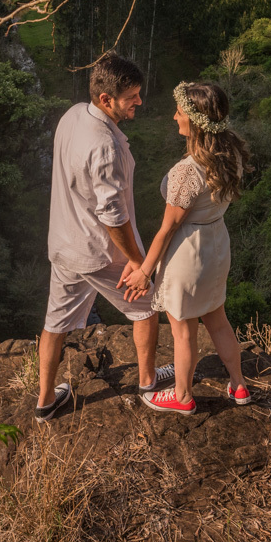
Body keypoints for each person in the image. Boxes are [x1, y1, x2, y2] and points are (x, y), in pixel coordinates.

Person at [35, 53, 174, 422]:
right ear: (105, 99)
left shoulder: (73, 115)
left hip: (64, 244)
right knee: (147, 305)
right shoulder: (104, 145)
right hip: (98, 250)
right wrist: (136, 261)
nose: (139, 102)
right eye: (132, 97)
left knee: (55, 323)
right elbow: (112, 216)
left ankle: (46, 400)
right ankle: (147, 384)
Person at [120, 81, 252, 415]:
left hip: (188, 253)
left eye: (179, 111)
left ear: (194, 120)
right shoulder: (231, 152)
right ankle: (238, 385)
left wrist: (144, 273)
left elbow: (167, 229)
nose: (174, 116)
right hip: (217, 243)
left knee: (183, 332)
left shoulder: (187, 172)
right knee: (218, 319)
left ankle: (181, 397)